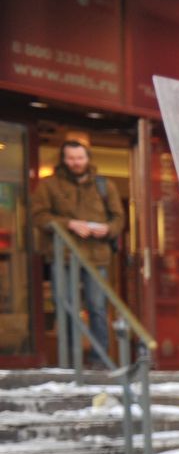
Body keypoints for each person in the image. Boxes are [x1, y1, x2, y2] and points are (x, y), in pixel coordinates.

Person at [29, 140, 126, 369]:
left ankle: (99, 360)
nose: (76, 163)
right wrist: (69, 224)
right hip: (63, 256)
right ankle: (71, 362)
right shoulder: (48, 185)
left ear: (88, 158)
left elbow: (118, 218)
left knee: (97, 307)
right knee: (66, 307)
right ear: (63, 159)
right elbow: (38, 216)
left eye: (80, 158)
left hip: (97, 256)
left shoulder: (104, 186)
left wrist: (108, 229)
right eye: (71, 158)